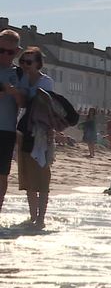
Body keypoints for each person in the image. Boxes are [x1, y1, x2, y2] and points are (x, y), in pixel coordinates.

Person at [17, 47, 54, 229]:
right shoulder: (22, 79)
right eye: (22, 61)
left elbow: (44, 106)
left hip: (42, 132)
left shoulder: (46, 82)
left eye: (29, 62)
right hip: (25, 130)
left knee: (42, 178)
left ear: (38, 64)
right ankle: (33, 217)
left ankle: (41, 218)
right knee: (29, 178)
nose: (25, 65)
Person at [0, 29, 26, 216]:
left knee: (2, 175)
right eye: (0, 50)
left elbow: (25, 103)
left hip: (6, 130)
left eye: (9, 52)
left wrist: (14, 93)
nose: (4, 55)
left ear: (17, 52)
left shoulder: (18, 73)